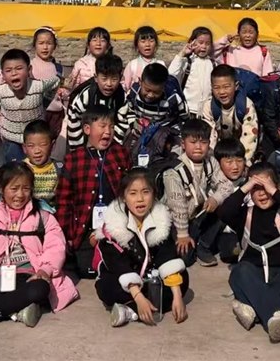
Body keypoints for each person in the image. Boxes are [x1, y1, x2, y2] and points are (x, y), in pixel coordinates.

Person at [0, 162, 78, 330]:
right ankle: (14, 310)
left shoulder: (43, 216)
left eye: (26, 189)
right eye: (14, 189)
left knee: (40, 288)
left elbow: (55, 246)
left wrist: (45, 270)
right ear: (1, 189)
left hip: (28, 277)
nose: (20, 195)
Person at [217, 162, 280, 342]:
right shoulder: (246, 214)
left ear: (276, 188)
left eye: (266, 187)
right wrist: (246, 187)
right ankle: (279, 314)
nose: (262, 193)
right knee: (240, 271)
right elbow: (224, 212)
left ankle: (253, 309)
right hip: (252, 275)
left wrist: (274, 190)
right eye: (256, 188)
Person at [96, 168, 189, 327]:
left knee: (182, 279)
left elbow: (167, 258)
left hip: (150, 276)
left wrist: (178, 297)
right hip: (124, 279)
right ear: (123, 197)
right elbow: (118, 265)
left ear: (154, 194)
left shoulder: (162, 221)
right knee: (106, 287)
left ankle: (129, 311)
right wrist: (138, 296)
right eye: (133, 193)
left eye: (146, 192)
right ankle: (139, 306)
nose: (140, 199)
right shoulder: (113, 227)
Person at [56, 105, 131, 279]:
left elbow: (130, 190)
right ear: (87, 129)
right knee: (87, 270)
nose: (108, 132)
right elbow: (64, 201)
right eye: (102, 126)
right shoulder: (74, 159)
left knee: (120, 262)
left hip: (116, 226)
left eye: (111, 127)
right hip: (86, 228)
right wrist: (66, 235)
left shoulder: (120, 153)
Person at [162, 117, 235, 266]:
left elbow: (227, 185)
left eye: (203, 142)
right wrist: (182, 234)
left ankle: (204, 246)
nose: (198, 147)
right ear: (183, 144)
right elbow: (177, 206)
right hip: (176, 221)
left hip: (199, 213)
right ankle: (195, 242)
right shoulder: (173, 172)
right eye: (193, 142)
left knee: (226, 207)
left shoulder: (210, 161)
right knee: (186, 259)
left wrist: (215, 198)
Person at [0, 49, 60, 162]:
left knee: (37, 168)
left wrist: (45, 103)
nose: (14, 73)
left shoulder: (37, 86)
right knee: (16, 169)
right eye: (8, 70)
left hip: (35, 138)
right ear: (3, 74)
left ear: (29, 70)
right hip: (11, 139)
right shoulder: (1, 91)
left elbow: (55, 82)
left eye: (19, 68)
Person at [64, 53, 131, 154]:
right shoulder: (87, 95)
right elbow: (74, 119)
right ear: (96, 77)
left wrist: (113, 147)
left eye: (114, 79)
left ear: (120, 78)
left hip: (108, 136)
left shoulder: (121, 97)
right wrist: (78, 149)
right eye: (104, 79)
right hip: (84, 135)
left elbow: (122, 123)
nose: (109, 84)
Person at [124, 62, 187, 162]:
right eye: (147, 90)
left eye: (156, 92)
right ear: (140, 82)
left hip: (165, 132)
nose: (150, 95)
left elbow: (184, 118)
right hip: (140, 129)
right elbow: (130, 110)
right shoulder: (134, 93)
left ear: (164, 87)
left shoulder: (173, 98)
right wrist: (134, 126)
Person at [209, 64, 261, 162]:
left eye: (226, 87)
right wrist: (214, 163)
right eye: (216, 88)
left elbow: (249, 137)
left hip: (240, 147)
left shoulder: (246, 105)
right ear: (211, 88)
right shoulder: (208, 107)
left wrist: (243, 162)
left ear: (236, 86)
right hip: (219, 150)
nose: (222, 92)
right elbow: (210, 138)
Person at [211, 137, 248, 263]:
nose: (235, 166)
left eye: (239, 161)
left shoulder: (249, 180)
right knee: (230, 252)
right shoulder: (213, 184)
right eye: (229, 162)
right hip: (224, 230)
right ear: (218, 163)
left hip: (244, 228)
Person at [168, 26, 215, 119]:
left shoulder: (213, 64)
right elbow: (171, 74)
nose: (204, 46)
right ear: (192, 42)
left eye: (207, 43)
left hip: (207, 112)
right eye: (200, 43)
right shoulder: (188, 61)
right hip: (188, 110)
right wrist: (182, 53)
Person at [21, 120, 63, 211]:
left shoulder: (60, 169)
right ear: (24, 148)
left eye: (43, 145)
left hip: (51, 213)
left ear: (52, 145)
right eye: (31, 146)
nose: (37, 151)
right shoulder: (20, 169)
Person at [122, 25, 163, 92]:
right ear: (137, 46)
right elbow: (125, 87)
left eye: (151, 41)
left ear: (156, 45)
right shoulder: (132, 65)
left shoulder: (161, 64)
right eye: (143, 41)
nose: (147, 44)